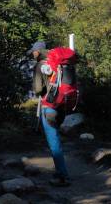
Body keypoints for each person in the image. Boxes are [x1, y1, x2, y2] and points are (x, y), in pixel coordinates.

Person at [29, 40, 71, 187]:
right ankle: (60, 171)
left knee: (54, 142)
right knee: (56, 139)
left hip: (49, 107)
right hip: (61, 107)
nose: (32, 54)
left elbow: (38, 89)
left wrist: (38, 88)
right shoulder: (58, 63)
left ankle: (63, 176)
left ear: (38, 51)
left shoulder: (40, 65)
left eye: (33, 52)